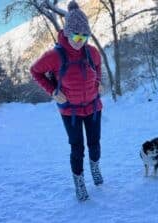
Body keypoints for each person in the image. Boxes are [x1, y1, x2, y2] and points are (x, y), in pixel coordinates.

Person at [30, 0, 103, 202]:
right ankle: (79, 181)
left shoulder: (92, 52)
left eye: (84, 36)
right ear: (67, 32)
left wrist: (99, 82)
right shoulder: (54, 56)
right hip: (70, 111)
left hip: (94, 107)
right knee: (77, 147)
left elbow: (98, 67)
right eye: (76, 36)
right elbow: (35, 71)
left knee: (95, 144)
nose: (80, 41)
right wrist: (53, 91)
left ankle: (95, 167)